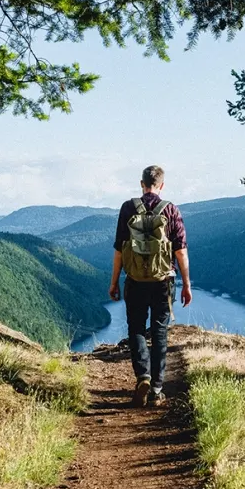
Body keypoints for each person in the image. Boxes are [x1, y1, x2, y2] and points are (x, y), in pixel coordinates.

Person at [109, 165, 192, 407]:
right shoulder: (170, 210)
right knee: (159, 331)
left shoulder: (127, 208)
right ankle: (156, 389)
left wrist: (114, 282)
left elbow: (118, 250)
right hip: (163, 281)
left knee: (135, 328)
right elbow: (181, 251)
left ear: (141, 183)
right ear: (161, 185)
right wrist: (186, 284)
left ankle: (142, 377)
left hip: (134, 280)